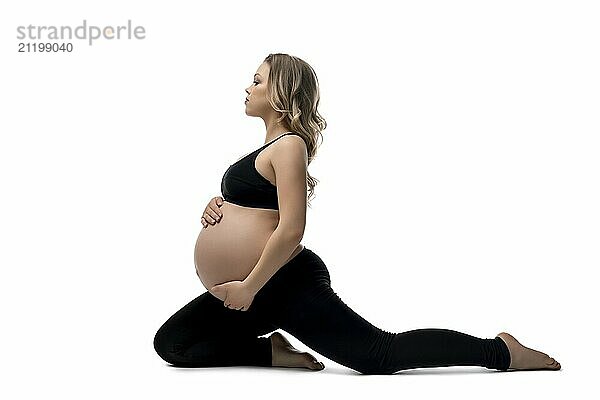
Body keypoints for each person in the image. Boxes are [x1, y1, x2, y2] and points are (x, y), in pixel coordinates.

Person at [153, 53, 561, 374]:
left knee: (378, 355)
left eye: (257, 80)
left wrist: (250, 287)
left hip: (283, 282)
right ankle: (272, 351)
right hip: (254, 290)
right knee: (172, 344)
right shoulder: (263, 151)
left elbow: (291, 229)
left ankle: (502, 351)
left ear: (280, 93)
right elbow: (258, 205)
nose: (247, 86)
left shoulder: (290, 145)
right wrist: (217, 206)